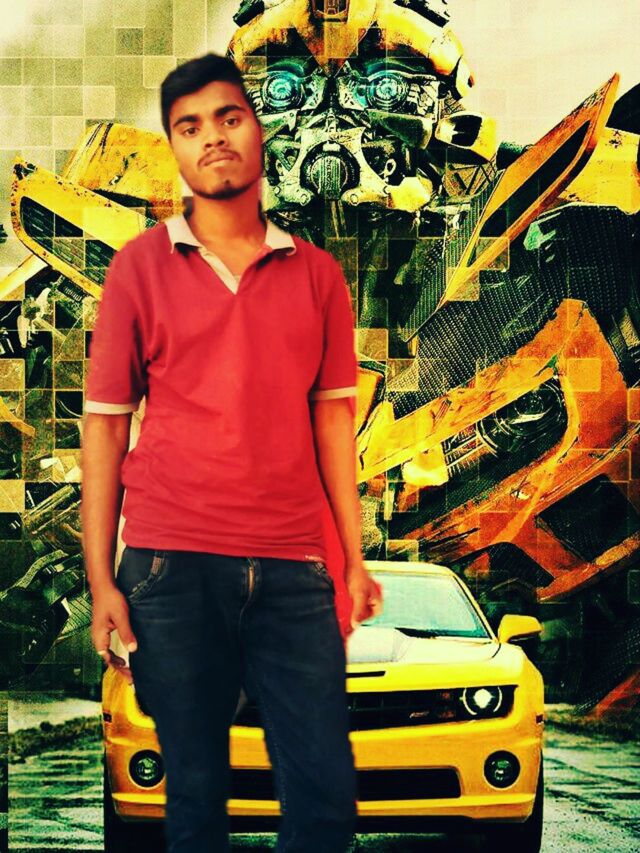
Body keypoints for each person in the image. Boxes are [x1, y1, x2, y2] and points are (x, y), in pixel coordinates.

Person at [80, 52, 382, 853]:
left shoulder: (318, 276)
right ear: (174, 149)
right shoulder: (138, 268)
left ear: (258, 131)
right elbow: (105, 426)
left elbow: (334, 429)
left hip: (292, 568)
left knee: (324, 800)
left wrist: (352, 559)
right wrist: (101, 580)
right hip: (170, 568)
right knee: (196, 799)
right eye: (189, 126)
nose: (211, 136)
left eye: (228, 117)